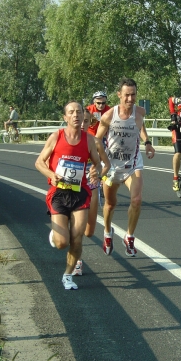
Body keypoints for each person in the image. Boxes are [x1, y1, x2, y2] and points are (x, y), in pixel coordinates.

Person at [35, 100, 101, 290]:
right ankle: (56, 236)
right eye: (71, 112)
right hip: (59, 193)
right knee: (62, 243)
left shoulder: (88, 139)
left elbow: (97, 163)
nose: (76, 115)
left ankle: (68, 275)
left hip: (80, 192)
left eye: (79, 112)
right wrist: (50, 174)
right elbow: (39, 162)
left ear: (83, 115)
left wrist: (97, 171)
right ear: (65, 117)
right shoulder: (56, 136)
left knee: (77, 236)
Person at [96, 77, 155, 257]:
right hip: (112, 166)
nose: (130, 99)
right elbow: (97, 139)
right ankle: (107, 233)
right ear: (119, 95)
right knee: (110, 204)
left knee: (136, 200)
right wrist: (101, 162)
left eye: (133, 95)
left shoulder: (140, 112)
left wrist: (147, 142)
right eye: (127, 95)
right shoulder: (108, 116)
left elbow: (140, 126)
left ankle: (129, 236)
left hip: (132, 164)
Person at [72, 109, 111, 276]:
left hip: (90, 186)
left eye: (86, 121)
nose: (82, 124)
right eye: (80, 120)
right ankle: (77, 262)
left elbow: (106, 165)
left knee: (89, 232)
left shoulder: (95, 142)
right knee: (77, 228)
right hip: (71, 186)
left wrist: (98, 175)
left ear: (90, 123)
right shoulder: (66, 140)